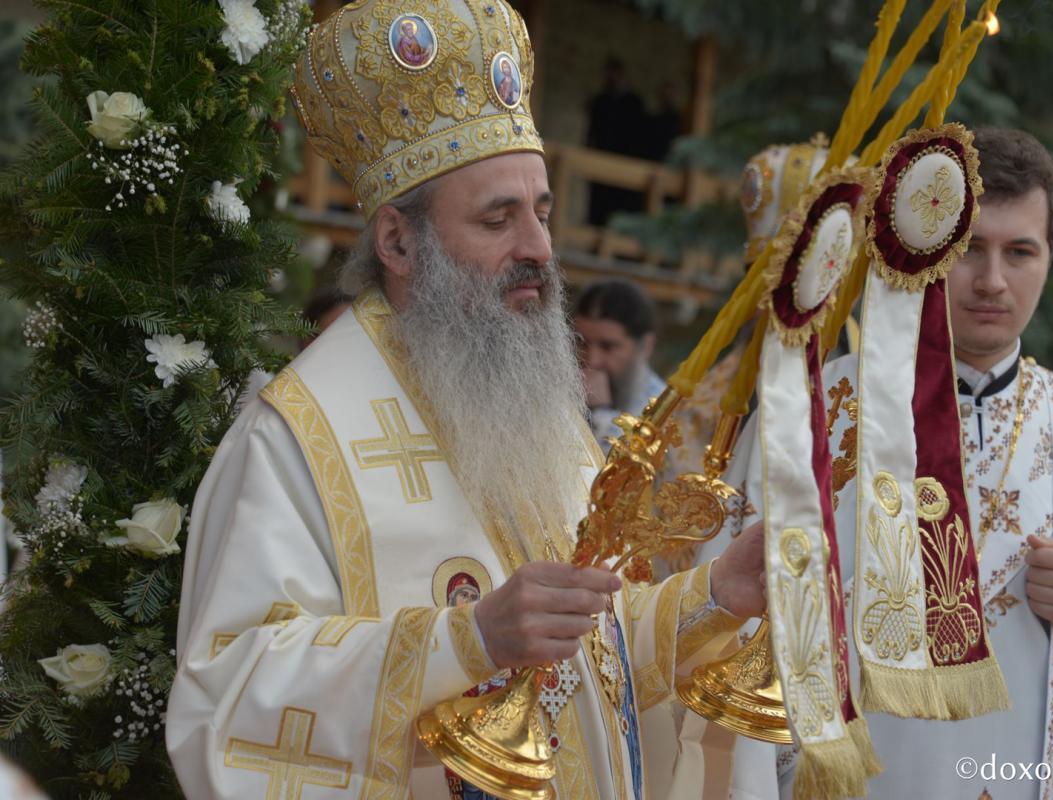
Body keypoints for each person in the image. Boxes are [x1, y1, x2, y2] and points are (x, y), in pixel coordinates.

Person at [164, 2, 767, 798]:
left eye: (542, 212)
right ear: (397, 243)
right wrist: (466, 642)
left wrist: (716, 594)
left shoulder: (542, 418)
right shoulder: (298, 438)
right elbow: (226, 694)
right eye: (498, 218)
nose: (539, 249)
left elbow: (594, 662)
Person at [709, 127, 1053, 798]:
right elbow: (719, 614)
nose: (992, 281)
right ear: (926, 244)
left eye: (1020, 252)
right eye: (969, 248)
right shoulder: (814, 411)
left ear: (1049, 257)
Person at [574, 279, 666, 451]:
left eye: (608, 347)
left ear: (645, 346)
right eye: (581, 342)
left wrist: (600, 414)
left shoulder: (664, 412)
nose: (592, 361)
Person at [586, 58, 647, 225]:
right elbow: (592, 133)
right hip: (599, 164)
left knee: (620, 212)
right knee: (597, 211)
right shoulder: (601, 101)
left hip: (625, 167)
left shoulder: (634, 104)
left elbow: (639, 138)